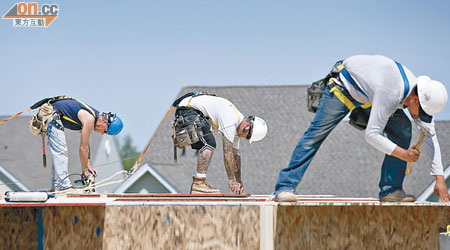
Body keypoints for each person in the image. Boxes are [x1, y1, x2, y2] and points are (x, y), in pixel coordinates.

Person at [273, 55, 449, 202]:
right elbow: (372, 135)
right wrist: (404, 154)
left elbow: (429, 135)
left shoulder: (415, 93)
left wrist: (439, 180)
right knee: (315, 136)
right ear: (416, 100)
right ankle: (284, 187)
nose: (420, 118)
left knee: (403, 129)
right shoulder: (391, 92)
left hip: (370, 94)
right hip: (343, 86)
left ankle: (391, 191)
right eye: (421, 113)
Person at [173, 93, 268, 194]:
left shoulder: (237, 129)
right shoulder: (231, 119)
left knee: (208, 142)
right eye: (248, 136)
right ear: (248, 126)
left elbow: (235, 155)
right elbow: (227, 153)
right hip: (188, 110)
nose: (245, 138)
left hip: (192, 112)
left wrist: (238, 180)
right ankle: (198, 183)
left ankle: (199, 182)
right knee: (209, 144)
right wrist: (231, 181)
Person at [39, 97, 123, 191]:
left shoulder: (93, 117)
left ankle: (56, 186)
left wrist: (89, 164)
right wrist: (84, 170)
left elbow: (86, 144)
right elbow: (83, 148)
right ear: (105, 122)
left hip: (52, 113)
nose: (102, 133)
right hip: (51, 113)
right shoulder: (90, 119)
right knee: (61, 151)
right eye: (105, 130)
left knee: (59, 151)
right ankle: (63, 186)